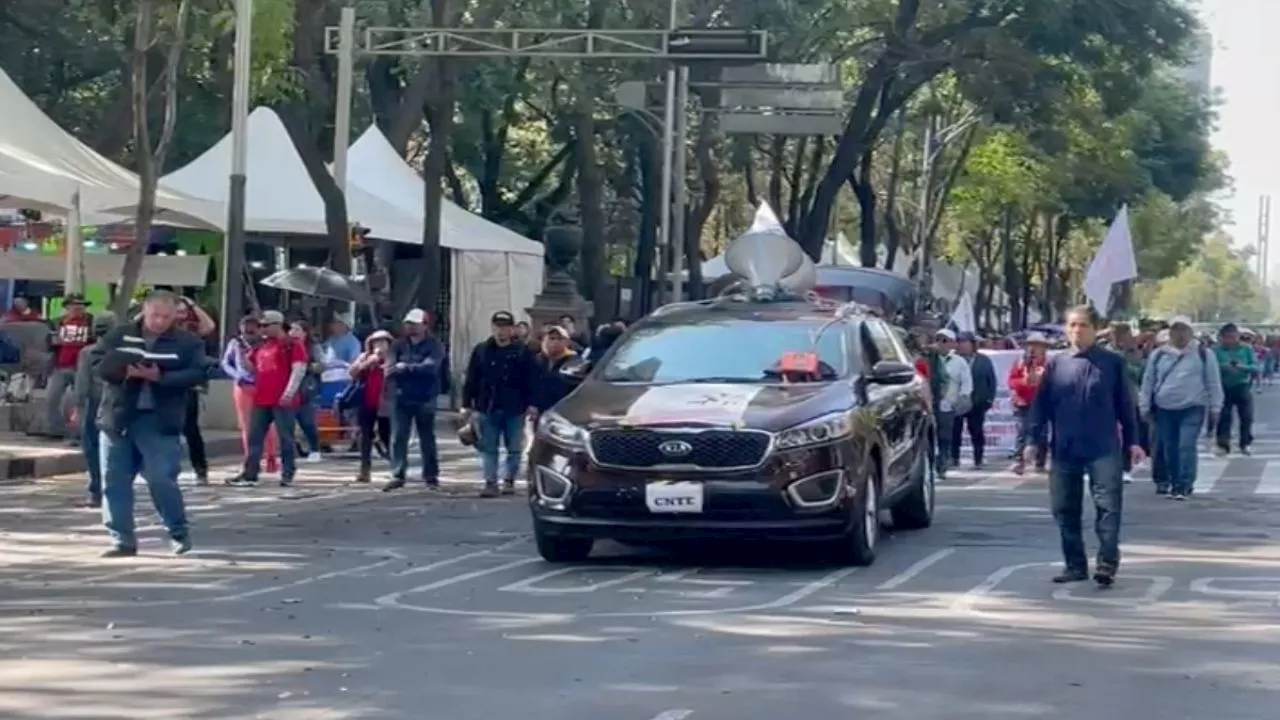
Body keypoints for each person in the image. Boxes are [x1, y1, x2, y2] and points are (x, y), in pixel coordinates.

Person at [1026, 305, 1142, 587]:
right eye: (1072, 325)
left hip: (1103, 447)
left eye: (1083, 325)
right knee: (1064, 508)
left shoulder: (1111, 363)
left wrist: (1134, 442)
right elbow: (1041, 407)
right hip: (1065, 448)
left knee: (1108, 506)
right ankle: (1075, 564)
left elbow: (1126, 407)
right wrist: (1032, 441)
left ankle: (1106, 562)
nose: (1077, 330)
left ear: (1094, 329)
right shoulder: (1056, 364)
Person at [90, 291, 207, 557]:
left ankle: (178, 531)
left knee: (161, 478)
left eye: (167, 316)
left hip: (159, 420)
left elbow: (199, 373)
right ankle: (122, 539)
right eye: (155, 315)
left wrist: (160, 377)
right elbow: (96, 364)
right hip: (118, 417)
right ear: (145, 310)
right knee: (114, 480)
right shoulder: (119, 335)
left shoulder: (187, 342)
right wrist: (124, 370)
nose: (160, 321)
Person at [1138, 316, 1222, 499]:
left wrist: (1216, 407)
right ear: (1170, 333)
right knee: (1169, 447)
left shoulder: (1203, 354)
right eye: (1176, 330)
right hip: (1164, 408)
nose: (1180, 334)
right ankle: (1174, 483)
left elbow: (1213, 382)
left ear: (1191, 332)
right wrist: (1144, 405)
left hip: (1193, 407)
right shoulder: (1159, 354)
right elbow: (1148, 381)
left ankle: (1185, 484)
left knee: (1186, 445)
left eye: (1184, 330)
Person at [226, 310, 306, 488]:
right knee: (255, 436)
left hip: (282, 399)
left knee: (285, 437)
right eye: (260, 325)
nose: (261, 329)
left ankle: (287, 472)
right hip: (262, 397)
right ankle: (250, 472)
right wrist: (239, 353)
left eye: (265, 325)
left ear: (277, 325)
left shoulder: (291, 344)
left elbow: (298, 368)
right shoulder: (262, 346)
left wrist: (289, 392)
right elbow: (251, 367)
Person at [462, 310, 538, 498]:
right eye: (497, 327)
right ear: (492, 327)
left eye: (505, 327)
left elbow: (533, 379)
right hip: (488, 405)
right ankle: (490, 482)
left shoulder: (522, 351)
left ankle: (509, 480)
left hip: (515, 406)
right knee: (489, 447)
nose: (501, 331)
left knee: (514, 448)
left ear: (512, 329)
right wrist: (466, 404)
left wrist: (533, 404)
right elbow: (472, 378)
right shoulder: (481, 350)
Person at [383, 309, 448, 492]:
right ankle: (397, 474)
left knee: (426, 437)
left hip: (425, 397)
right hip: (401, 396)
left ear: (424, 325)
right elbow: (390, 368)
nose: (410, 327)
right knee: (398, 437)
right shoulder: (398, 345)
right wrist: (400, 369)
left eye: (414, 323)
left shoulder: (434, 345)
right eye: (408, 323)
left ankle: (431, 476)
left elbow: (431, 368)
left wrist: (406, 368)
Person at [220, 315, 280, 474]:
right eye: (246, 327)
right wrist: (236, 375)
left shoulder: (266, 343)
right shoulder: (235, 343)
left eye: (253, 327)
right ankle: (251, 460)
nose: (250, 331)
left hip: (263, 386)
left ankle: (271, 456)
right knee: (247, 425)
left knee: (267, 424)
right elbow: (226, 363)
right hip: (243, 385)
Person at [71, 311, 117, 508]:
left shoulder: (88, 352)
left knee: (92, 448)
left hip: (95, 403)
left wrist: (78, 407)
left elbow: (82, 384)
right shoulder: (123, 350)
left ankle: (96, 491)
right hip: (118, 403)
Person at [46, 293, 95, 440]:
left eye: (81, 305)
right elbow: (48, 342)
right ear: (67, 307)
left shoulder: (91, 322)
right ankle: (56, 430)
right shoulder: (57, 322)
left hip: (81, 366)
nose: (78, 308)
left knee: (79, 400)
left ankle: (79, 432)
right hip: (60, 365)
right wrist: (53, 342)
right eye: (74, 305)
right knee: (52, 399)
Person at [348, 330, 395, 483]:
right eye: (376, 342)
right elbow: (352, 372)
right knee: (365, 436)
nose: (379, 345)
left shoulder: (394, 357)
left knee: (386, 435)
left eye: (383, 342)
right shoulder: (365, 357)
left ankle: (396, 468)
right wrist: (369, 362)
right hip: (367, 401)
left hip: (386, 404)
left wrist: (386, 363)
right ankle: (364, 470)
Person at [951, 332, 996, 469]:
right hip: (957, 401)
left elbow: (991, 381)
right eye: (960, 342)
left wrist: (989, 399)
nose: (963, 346)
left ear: (972, 344)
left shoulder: (983, 360)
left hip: (977, 402)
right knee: (955, 432)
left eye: (965, 342)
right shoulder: (952, 359)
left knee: (976, 431)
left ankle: (978, 459)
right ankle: (954, 458)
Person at [932, 329, 972, 479]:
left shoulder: (959, 362)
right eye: (938, 340)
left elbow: (966, 382)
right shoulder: (930, 359)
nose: (940, 344)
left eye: (944, 340)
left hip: (948, 405)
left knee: (945, 436)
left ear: (951, 343)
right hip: (929, 404)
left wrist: (963, 398)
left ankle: (943, 464)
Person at [1008, 332, 1049, 474]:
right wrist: (1024, 382)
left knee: (1042, 433)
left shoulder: (1048, 364)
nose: (1033, 349)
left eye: (1037, 345)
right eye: (1031, 345)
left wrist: (1039, 383)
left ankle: (1040, 462)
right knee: (1022, 431)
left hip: (1041, 403)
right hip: (1022, 402)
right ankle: (1019, 461)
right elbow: (1011, 381)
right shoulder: (1019, 362)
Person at [1213, 322, 1255, 456]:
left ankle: (1245, 443)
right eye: (1227, 337)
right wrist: (1223, 366)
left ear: (1237, 336)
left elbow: (1255, 366)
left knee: (1246, 416)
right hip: (1223, 386)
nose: (1230, 340)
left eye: (1233, 337)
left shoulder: (1246, 349)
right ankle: (1223, 444)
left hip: (1242, 385)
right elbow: (1212, 367)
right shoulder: (1216, 350)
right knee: (1224, 416)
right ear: (1222, 337)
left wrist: (1242, 367)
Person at [289, 320, 325, 462]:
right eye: (291, 329)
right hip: (288, 387)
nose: (293, 333)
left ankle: (314, 449)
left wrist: (307, 366)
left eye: (297, 330)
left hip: (305, 387)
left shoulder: (313, 347)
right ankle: (293, 450)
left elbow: (323, 364)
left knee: (307, 421)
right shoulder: (287, 346)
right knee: (287, 422)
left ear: (305, 333)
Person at [532, 325, 580, 414]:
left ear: (567, 342)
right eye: (551, 338)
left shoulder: (575, 362)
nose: (555, 342)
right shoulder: (538, 360)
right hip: (539, 411)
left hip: (562, 412)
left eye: (559, 339)